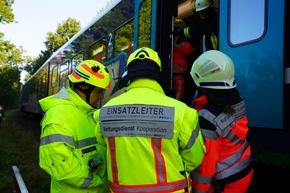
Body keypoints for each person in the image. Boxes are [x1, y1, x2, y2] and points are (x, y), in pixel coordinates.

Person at [94, 47, 205, 193]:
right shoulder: (182, 112)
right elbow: (194, 159)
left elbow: (104, 151)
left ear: (129, 75)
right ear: (157, 74)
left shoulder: (103, 113)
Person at [38, 60, 111, 193]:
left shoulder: (89, 113)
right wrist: (97, 182)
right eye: (99, 91)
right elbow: (61, 166)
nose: (101, 97)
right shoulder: (58, 115)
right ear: (83, 87)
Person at [189, 50, 254, 193]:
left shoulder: (208, 120)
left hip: (227, 183)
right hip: (243, 171)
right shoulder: (236, 101)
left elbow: (206, 165)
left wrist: (199, 191)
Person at [173, 18, 195, 101]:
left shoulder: (171, 39)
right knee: (178, 96)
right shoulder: (178, 39)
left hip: (174, 73)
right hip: (178, 75)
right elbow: (188, 51)